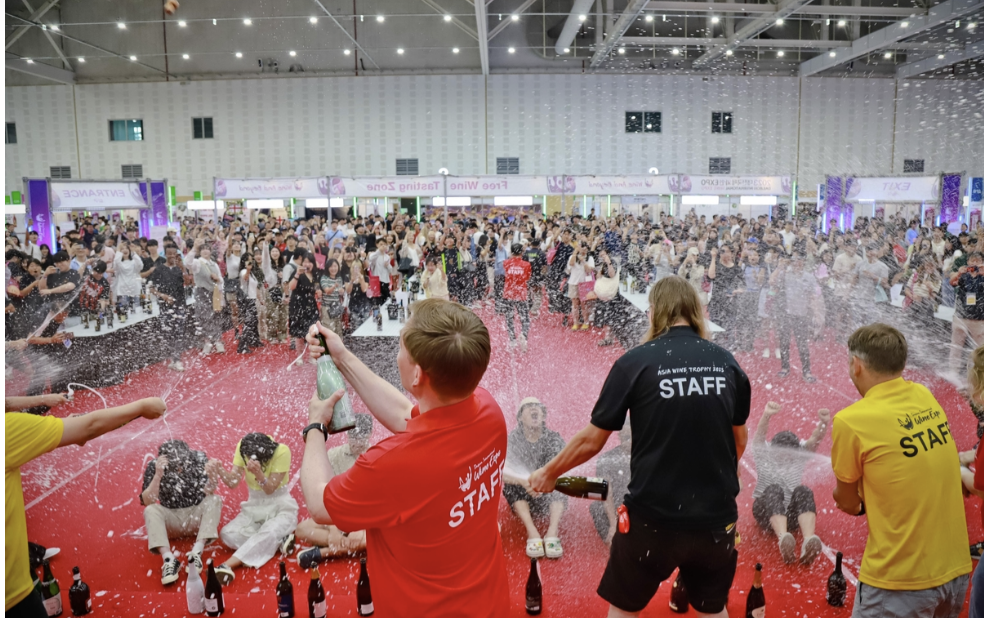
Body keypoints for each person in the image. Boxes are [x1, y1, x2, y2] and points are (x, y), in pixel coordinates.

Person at [530, 275, 750, 618]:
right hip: (715, 520)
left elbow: (592, 439)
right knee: (714, 610)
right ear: (696, 312)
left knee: (623, 609)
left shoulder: (635, 362)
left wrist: (549, 472)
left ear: (653, 313)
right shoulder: (727, 363)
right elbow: (739, 439)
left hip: (652, 518)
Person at [301, 299, 510, 617]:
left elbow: (319, 503)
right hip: (489, 604)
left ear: (417, 374)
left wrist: (315, 426)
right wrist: (342, 358)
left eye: (400, 346)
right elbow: (404, 414)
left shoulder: (390, 464)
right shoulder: (488, 410)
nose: (396, 352)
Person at [831, 324, 971, 617]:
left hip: (900, 581)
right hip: (956, 570)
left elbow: (847, 502)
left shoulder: (851, 420)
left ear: (857, 365)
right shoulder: (923, 395)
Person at [6, 396, 165, 615]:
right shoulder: (6, 431)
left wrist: (47, 401)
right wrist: (141, 407)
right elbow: (88, 427)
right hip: (11, 596)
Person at [208, 433, 298, 585]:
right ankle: (278, 542)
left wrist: (259, 474)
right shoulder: (243, 447)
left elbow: (270, 489)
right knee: (227, 533)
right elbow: (233, 482)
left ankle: (228, 565)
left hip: (280, 505)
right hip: (254, 506)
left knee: (269, 531)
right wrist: (220, 470)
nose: (249, 460)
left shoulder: (282, 451)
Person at [750, 402, 828, 565]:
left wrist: (824, 423)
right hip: (765, 513)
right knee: (774, 489)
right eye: (782, 455)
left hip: (791, 516)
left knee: (804, 490)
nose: (786, 458)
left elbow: (814, 440)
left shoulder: (798, 454)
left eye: (789, 455)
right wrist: (767, 415)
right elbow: (759, 436)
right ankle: (783, 538)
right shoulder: (764, 453)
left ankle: (808, 541)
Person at [139, 439, 223, 586]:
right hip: (171, 519)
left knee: (214, 499)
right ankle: (169, 560)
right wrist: (158, 475)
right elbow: (147, 501)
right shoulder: (154, 466)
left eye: (182, 465)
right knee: (150, 510)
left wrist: (213, 477)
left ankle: (197, 552)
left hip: (195, 516)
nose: (179, 469)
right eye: (175, 466)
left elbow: (208, 491)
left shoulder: (198, 459)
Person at [295, 414, 373, 568]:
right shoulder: (334, 455)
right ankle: (346, 546)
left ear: (369, 435)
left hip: (366, 518)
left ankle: (325, 552)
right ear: (347, 433)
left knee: (381, 537)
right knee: (301, 530)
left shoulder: (376, 455)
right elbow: (326, 492)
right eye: (352, 437)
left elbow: (376, 502)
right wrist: (333, 529)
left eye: (360, 438)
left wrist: (362, 527)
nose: (355, 442)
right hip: (338, 515)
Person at [502, 398, 568, 559]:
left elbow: (563, 467)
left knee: (563, 482)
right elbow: (501, 471)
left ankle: (553, 531)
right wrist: (524, 482)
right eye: (529, 407)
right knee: (510, 486)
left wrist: (543, 482)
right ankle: (532, 532)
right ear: (519, 417)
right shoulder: (513, 440)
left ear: (543, 416)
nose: (535, 410)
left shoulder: (553, 438)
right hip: (526, 495)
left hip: (547, 494)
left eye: (538, 408)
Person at [769, 252, 819, 383]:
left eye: (799, 260)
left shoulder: (809, 277)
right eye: (794, 260)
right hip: (785, 313)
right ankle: (785, 367)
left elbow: (814, 295)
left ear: (803, 261)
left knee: (802, 343)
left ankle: (806, 371)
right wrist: (780, 266)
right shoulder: (785, 275)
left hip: (801, 314)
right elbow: (771, 281)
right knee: (784, 342)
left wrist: (816, 314)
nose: (797, 262)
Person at [590, 419, 631, 545]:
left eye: (632, 437)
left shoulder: (649, 458)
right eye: (625, 437)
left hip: (639, 508)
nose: (629, 441)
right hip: (616, 507)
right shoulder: (607, 459)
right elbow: (606, 493)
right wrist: (613, 524)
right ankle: (613, 543)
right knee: (596, 507)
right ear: (619, 436)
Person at [148, 244, 189, 371]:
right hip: (165, 306)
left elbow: (188, 283)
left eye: (174, 253)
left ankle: (177, 360)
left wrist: (182, 267)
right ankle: (173, 359)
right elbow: (151, 289)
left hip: (180, 304)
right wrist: (164, 296)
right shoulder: (159, 269)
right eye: (169, 253)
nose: (172, 256)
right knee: (169, 333)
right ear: (165, 254)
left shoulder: (179, 269)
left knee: (179, 332)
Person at [184, 239, 224, 354]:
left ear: (211, 251)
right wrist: (194, 248)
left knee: (216, 316)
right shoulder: (197, 262)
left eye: (207, 249)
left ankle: (217, 340)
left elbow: (221, 279)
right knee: (204, 317)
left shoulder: (214, 264)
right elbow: (187, 263)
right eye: (203, 249)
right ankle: (207, 342)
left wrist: (218, 279)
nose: (205, 251)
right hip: (202, 293)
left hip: (215, 293)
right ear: (200, 252)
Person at [949, 252, 984, 376]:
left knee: (979, 349)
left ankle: (978, 375)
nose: (974, 263)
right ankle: (953, 372)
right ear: (968, 262)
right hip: (961, 316)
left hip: (979, 319)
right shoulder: (963, 275)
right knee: (956, 346)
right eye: (972, 260)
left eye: (977, 260)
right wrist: (959, 273)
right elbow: (952, 283)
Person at [287, 251, 319, 357]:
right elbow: (291, 287)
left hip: (311, 305)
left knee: (313, 331)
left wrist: (319, 292)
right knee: (299, 333)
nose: (307, 264)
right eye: (305, 261)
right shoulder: (297, 272)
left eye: (310, 262)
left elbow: (317, 288)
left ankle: (311, 356)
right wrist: (297, 274)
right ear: (302, 262)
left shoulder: (315, 274)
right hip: (298, 305)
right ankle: (299, 356)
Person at [502, 243, 532, 352]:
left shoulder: (506, 263)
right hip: (521, 295)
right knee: (525, 319)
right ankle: (523, 335)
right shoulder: (526, 264)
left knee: (509, 318)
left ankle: (512, 340)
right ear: (522, 252)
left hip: (508, 294)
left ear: (511, 252)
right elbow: (527, 278)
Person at [318, 258, 345, 336]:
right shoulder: (324, 278)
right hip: (327, 307)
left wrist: (342, 291)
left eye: (335, 266)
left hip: (336, 306)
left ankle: (339, 346)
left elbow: (340, 291)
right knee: (329, 330)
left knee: (338, 329)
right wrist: (334, 286)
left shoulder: (339, 278)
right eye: (331, 267)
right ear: (327, 268)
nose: (333, 269)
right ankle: (329, 347)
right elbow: (327, 291)